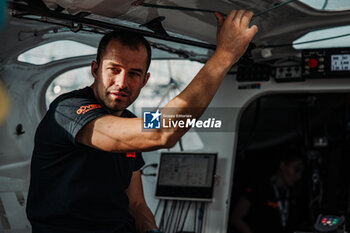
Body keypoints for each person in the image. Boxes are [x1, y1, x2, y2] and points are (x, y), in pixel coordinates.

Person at [26, 10, 258, 233]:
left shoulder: (130, 121)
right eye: (114, 70)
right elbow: (161, 133)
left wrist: (151, 228)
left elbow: (136, 204)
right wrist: (225, 55)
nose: (122, 82)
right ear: (95, 70)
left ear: (145, 80)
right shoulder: (68, 109)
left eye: (134, 74)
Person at [230, 152, 306, 233]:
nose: (298, 176)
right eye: (296, 170)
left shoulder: (293, 195)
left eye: (301, 172)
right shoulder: (259, 187)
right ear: (282, 165)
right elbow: (236, 218)